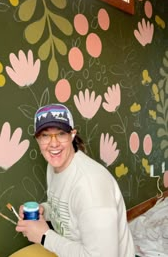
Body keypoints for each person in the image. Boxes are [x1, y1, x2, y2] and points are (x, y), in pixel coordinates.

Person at [14, 103, 135, 257]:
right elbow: (67, 211)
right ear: (37, 140)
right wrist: (44, 209)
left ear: (72, 135)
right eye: (45, 135)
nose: (53, 143)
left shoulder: (91, 186)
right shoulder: (54, 165)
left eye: (61, 134)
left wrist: (45, 237)